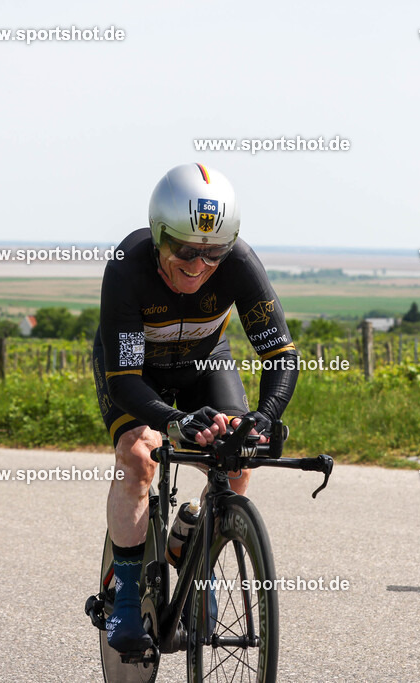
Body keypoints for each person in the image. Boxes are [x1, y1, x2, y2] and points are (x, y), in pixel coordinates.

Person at [92, 163, 299, 653]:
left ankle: (191, 540)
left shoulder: (241, 262)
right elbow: (125, 380)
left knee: (240, 452)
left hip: (204, 360)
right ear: (159, 235)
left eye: (213, 253)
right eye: (185, 250)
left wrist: (265, 416)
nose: (198, 264)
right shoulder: (127, 264)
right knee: (140, 453)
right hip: (136, 372)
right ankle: (124, 596)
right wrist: (174, 421)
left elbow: (281, 356)